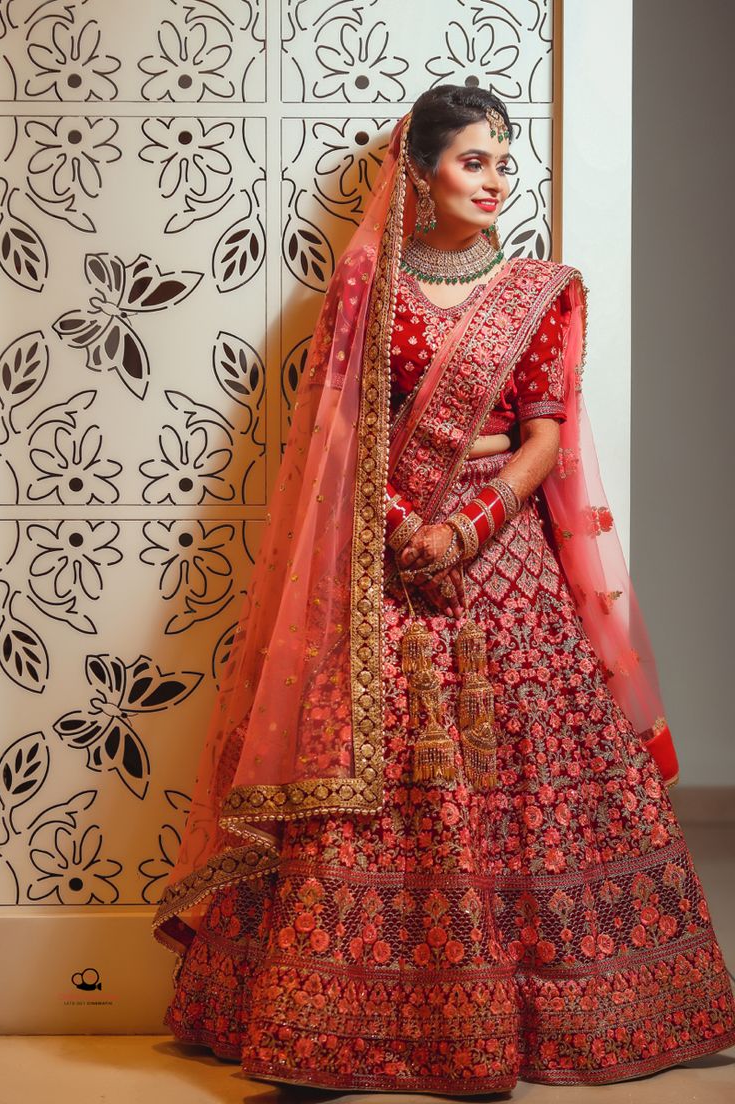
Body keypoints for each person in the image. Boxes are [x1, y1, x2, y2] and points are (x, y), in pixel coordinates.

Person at [151, 86, 735, 1093]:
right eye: (473, 161)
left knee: (534, 763)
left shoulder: (539, 291)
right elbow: (340, 432)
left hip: (503, 555)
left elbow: (547, 429)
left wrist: (470, 523)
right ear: (418, 175)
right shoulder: (365, 289)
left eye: (504, 163)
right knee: (368, 768)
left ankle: (597, 1009)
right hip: (384, 558)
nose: (494, 179)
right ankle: (333, 1026)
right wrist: (398, 527)